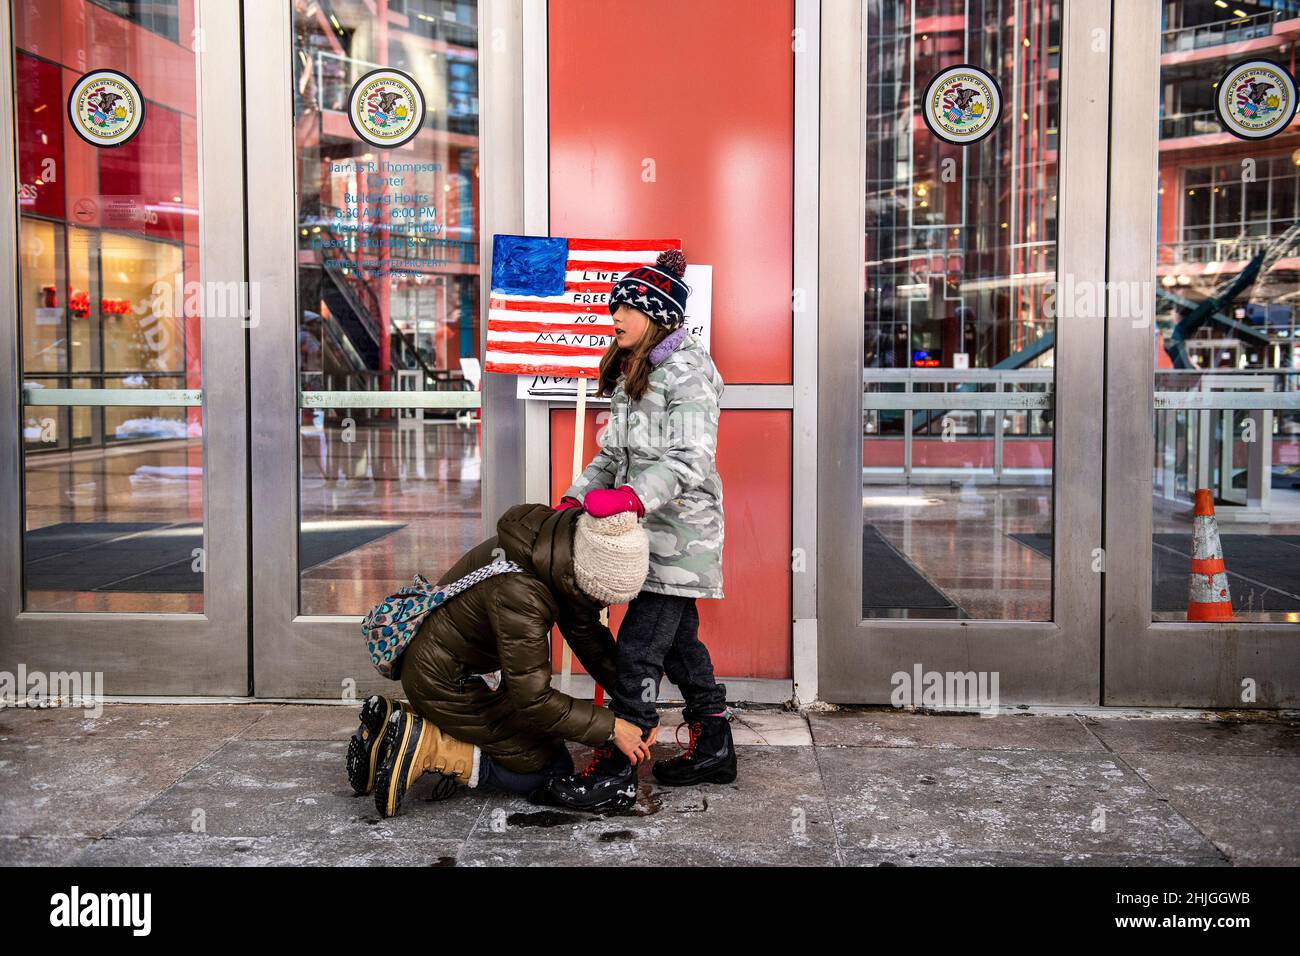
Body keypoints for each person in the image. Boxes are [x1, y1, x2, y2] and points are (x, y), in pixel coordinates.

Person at [545, 248, 735, 814]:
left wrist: (629, 496)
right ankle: (715, 743)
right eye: (613, 309)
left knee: (637, 650)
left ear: (660, 316)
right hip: (637, 536)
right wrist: (575, 498)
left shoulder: (690, 372)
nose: (616, 318)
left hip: (681, 539)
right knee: (678, 646)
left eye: (628, 309)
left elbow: (691, 460)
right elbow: (613, 455)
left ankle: (620, 769)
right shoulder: (637, 368)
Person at [347, 502, 654, 818]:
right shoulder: (522, 593)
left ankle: (397, 726)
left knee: (545, 739)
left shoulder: (550, 548)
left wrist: (635, 704)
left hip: (454, 667)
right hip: (448, 683)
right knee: (548, 768)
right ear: (590, 578)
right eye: (606, 599)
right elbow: (533, 699)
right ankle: (431, 748)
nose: (605, 605)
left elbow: (586, 636)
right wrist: (612, 727)